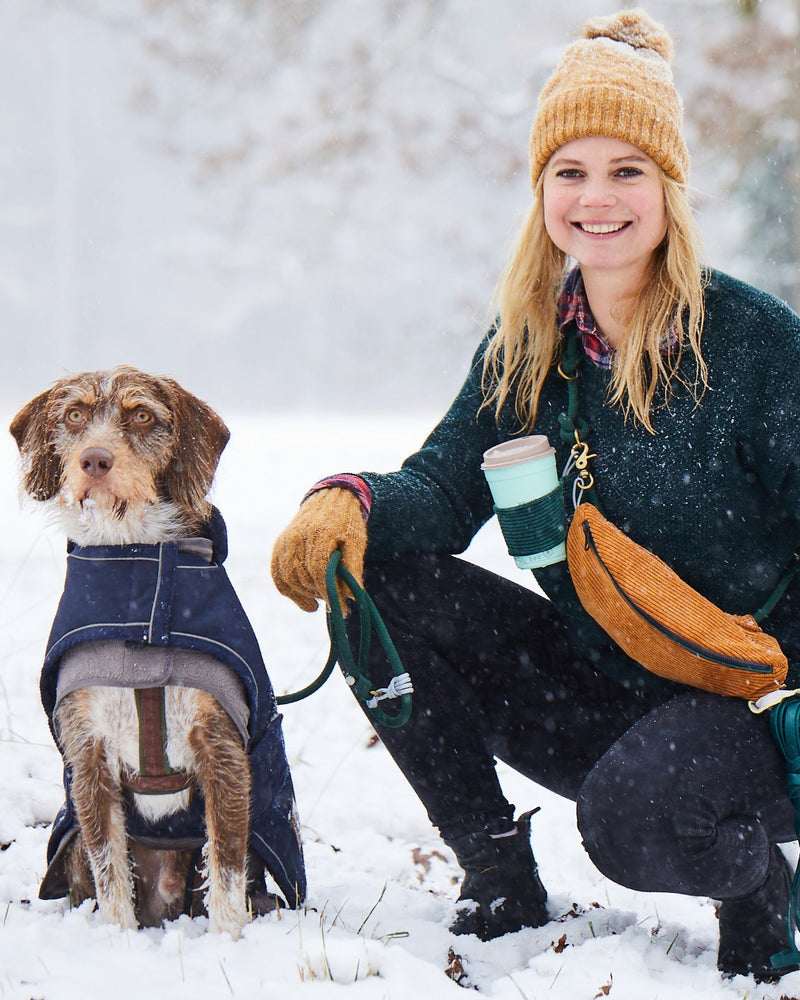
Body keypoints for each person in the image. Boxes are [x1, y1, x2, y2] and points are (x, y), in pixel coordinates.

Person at [271, 7, 800, 983]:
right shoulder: (526, 351)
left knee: (632, 824)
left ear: (667, 188)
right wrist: (348, 501)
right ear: (541, 190)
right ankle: (496, 869)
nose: (595, 198)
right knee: (384, 581)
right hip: (603, 689)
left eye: (624, 171)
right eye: (570, 171)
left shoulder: (750, 344)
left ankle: (751, 877)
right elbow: (437, 487)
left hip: (751, 700)